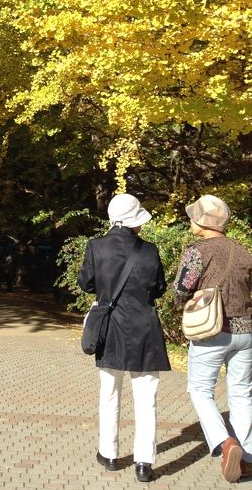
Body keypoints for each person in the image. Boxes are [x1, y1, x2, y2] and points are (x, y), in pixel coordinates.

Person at [78, 194, 170, 483]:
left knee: (109, 394)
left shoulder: (96, 247)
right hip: (145, 328)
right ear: (134, 220)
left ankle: (109, 454)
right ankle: (144, 463)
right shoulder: (150, 251)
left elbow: (85, 283)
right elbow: (159, 287)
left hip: (110, 329)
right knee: (147, 399)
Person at [172, 195, 252, 483]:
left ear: (202, 223)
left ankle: (224, 443)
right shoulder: (243, 250)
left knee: (200, 390)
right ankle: (248, 457)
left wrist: (186, 298)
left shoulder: (197, 251)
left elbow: (181, 290)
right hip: (246, 332)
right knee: (241, 393)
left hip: (212, 332)